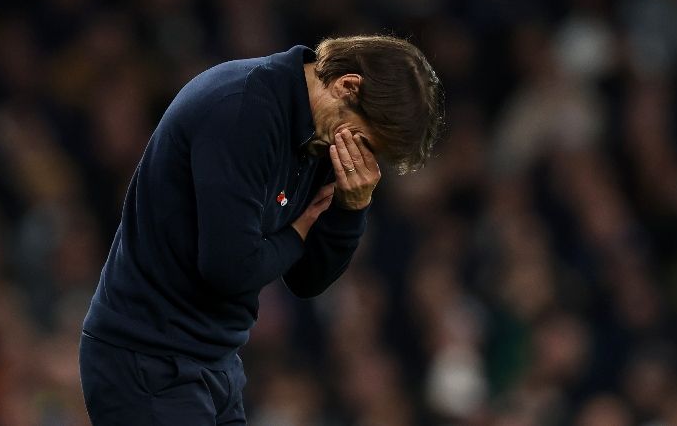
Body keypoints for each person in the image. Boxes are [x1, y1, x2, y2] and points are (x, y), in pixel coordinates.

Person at [78, 35, 444, 425]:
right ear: (347, 86)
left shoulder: (319, 131)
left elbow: (308, 280)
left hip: (213, 362)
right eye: (366, 141)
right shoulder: (242, 109)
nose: (362, 158)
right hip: (146, 360)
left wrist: (351, 208)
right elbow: (228, 269)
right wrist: (295, 235)